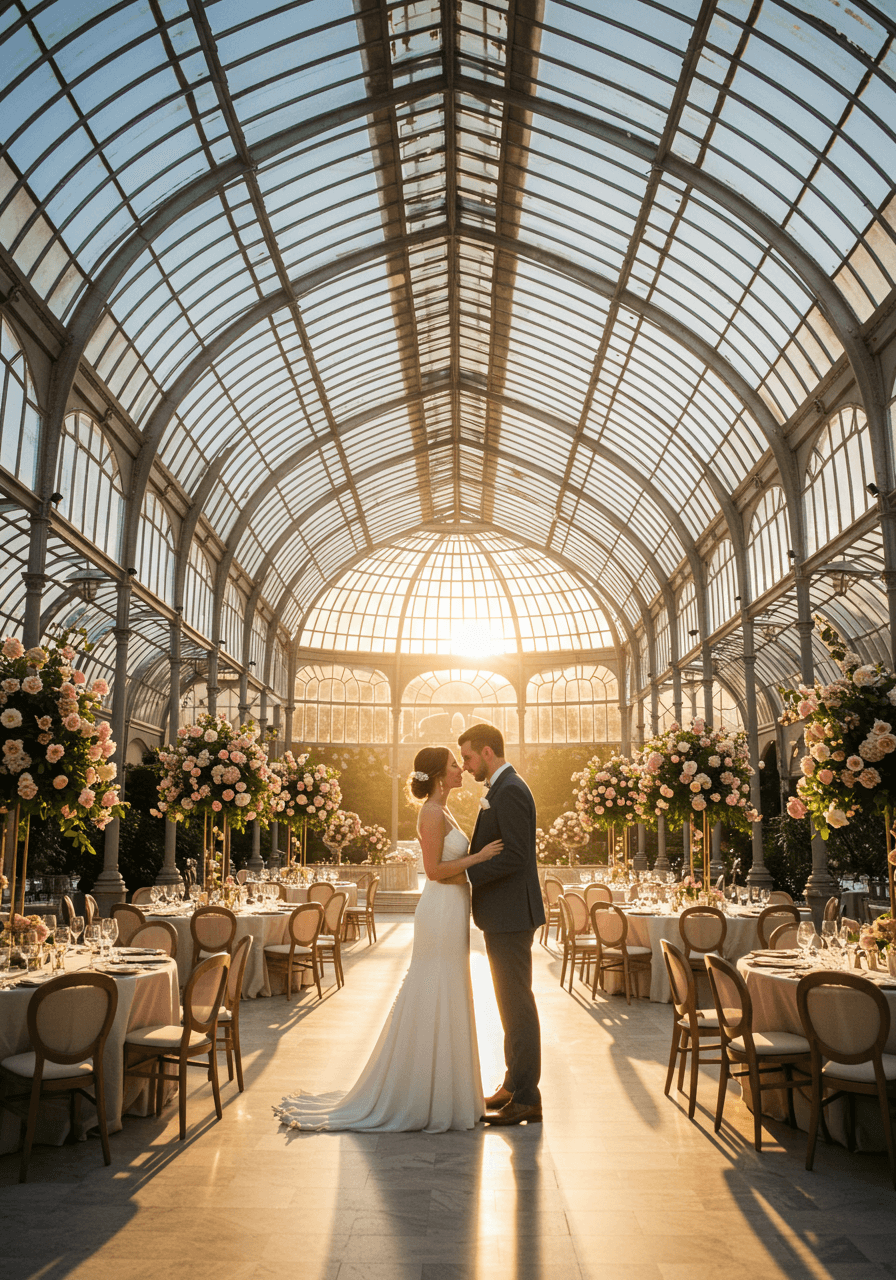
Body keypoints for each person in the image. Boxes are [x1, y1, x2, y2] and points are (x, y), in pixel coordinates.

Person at [273, 746, 502, 1133]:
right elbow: (433, 871)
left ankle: (448, 1090)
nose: (460, 769)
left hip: (454, 909)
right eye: (452, 765)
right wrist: (479, 858)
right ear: (438, 774)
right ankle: (418, 1094)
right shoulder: (430, 813)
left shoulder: (444, 810)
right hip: (440, 909)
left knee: (451, 988)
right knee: (435, 987)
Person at [459, 723, 545, 1126]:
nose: (466, 765)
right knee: (510, 1005)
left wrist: (470, 873)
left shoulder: (509, 790)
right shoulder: (502, 788)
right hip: (505, 914)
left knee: (517, 1005)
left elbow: (515, 856)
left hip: (511, 915)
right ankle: (514, 1086)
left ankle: (528, 1097)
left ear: (488, 752)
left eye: (469, 757)